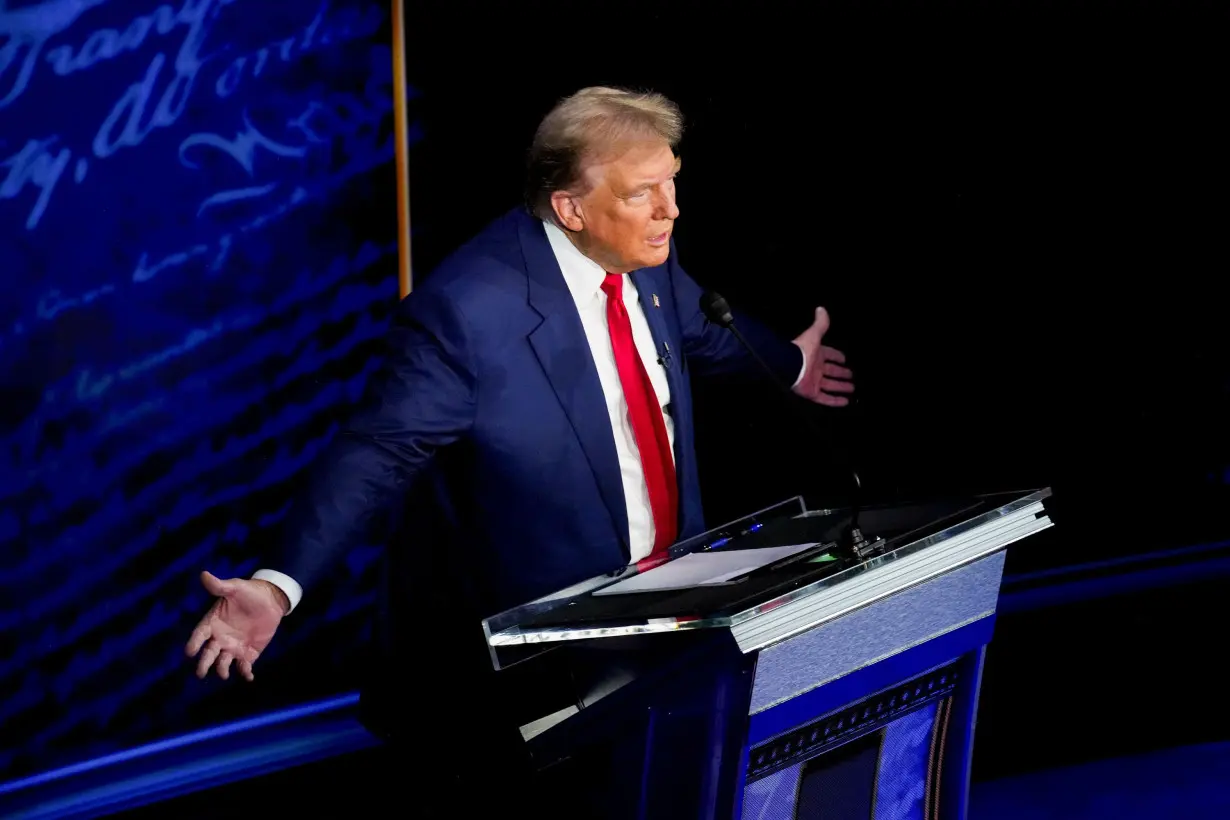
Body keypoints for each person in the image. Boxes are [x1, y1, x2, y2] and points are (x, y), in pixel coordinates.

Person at [184, 85, 853, 808]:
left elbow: (703, 325)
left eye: (672, 183)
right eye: (644, 194)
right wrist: (279, 584)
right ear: (570, 208)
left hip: (671, 630)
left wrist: (790, 364)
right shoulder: (467, 314)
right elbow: (373, 457)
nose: (671, 210)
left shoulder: (646, 253)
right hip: (535, 676)